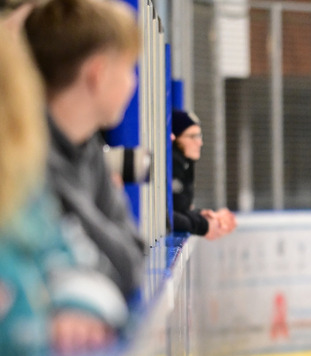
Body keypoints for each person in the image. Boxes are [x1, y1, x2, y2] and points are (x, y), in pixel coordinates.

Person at [23, 0, 147, 304]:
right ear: (97, 73)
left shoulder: (88, 149)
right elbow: (120, 265)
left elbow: (131, 260)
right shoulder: (27, 158)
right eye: (128, 68)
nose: (133, 83)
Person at [170, 109, 236, 240]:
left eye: (199, 136)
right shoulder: (174, 165)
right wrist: (204, 225)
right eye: (193, 136)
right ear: (175, 138)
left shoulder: (185, 165)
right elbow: (166, 216)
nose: (200, 143)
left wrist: (201, 215)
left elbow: (178, 210)